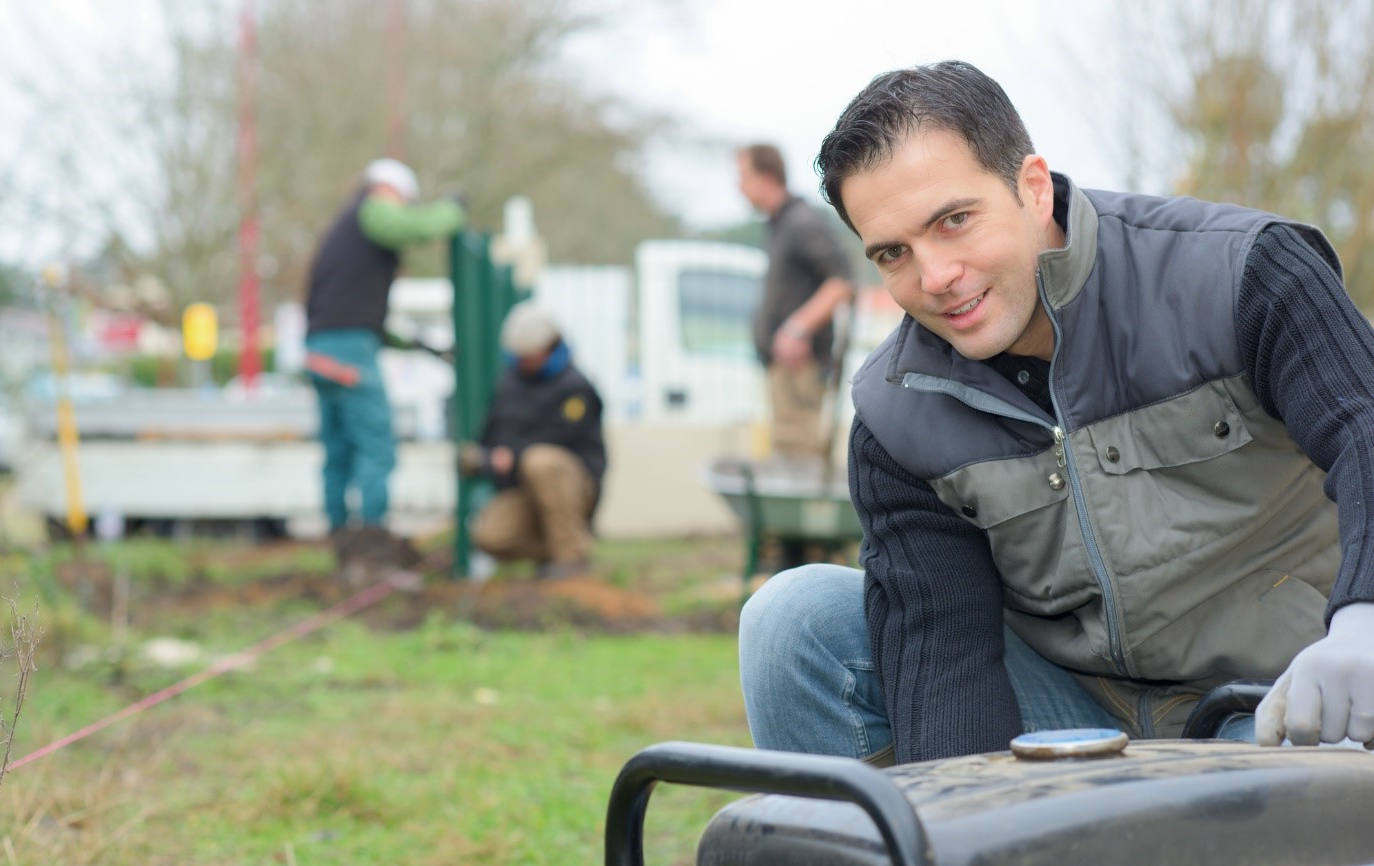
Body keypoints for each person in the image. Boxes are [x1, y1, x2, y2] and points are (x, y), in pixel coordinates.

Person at [738, 61, 1374, 767]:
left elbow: (1365, 429)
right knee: (793, 619)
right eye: (893, 252)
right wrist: (968, 840)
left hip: (1277, 704)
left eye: (953, 220)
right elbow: (944, 662)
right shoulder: (896, 414)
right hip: (1067, 718)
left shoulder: (1239, 275)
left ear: (1032, 187)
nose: (934, 277)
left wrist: (1363, 618)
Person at [303, 157, 466, 579]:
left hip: (321, 349)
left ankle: (345, 552)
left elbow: (356, 314)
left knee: (338, 455)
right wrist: (451, 211)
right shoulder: (373, 210)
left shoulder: (344, 231)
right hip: (349, 353)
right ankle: (373, 554)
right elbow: (412, 228)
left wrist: (420, 346)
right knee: (376, 450)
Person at [736, 143, 855, 570]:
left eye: (742, 175)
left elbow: (842, 281)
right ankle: (792, 559)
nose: (738, 186)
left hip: (800, 368)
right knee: (787, 454)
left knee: (798, 457)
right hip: (783, 369)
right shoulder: (779, 224)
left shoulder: (802, 222)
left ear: (765, 177)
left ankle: (801, 564)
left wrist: (798, 326)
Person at [460, 303, 606, 580]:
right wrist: (486, 456)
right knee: (491, 537)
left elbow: (560, 438)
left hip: (572, 486)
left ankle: (572, 559)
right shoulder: (509, 383)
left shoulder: (576, 388)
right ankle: (552, 550)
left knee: (540, 461)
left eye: (529, 357)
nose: (522, 363)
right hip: (522, 488)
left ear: (549, 348)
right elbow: (490, 433)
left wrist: (512, 455)